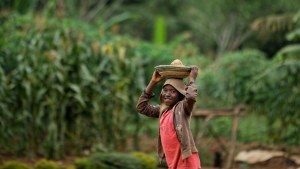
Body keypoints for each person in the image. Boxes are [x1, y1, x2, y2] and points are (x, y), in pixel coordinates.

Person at [136, 60, 201, 169]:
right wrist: (153, 82)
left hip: (186, 162)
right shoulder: (163, 110)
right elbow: (141, 108)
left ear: (180, 94)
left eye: (172, 91)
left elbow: (190, 97)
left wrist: (192, 79)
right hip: (172, 163)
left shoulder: (183, 108)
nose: (167, 94)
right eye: (165, 90)